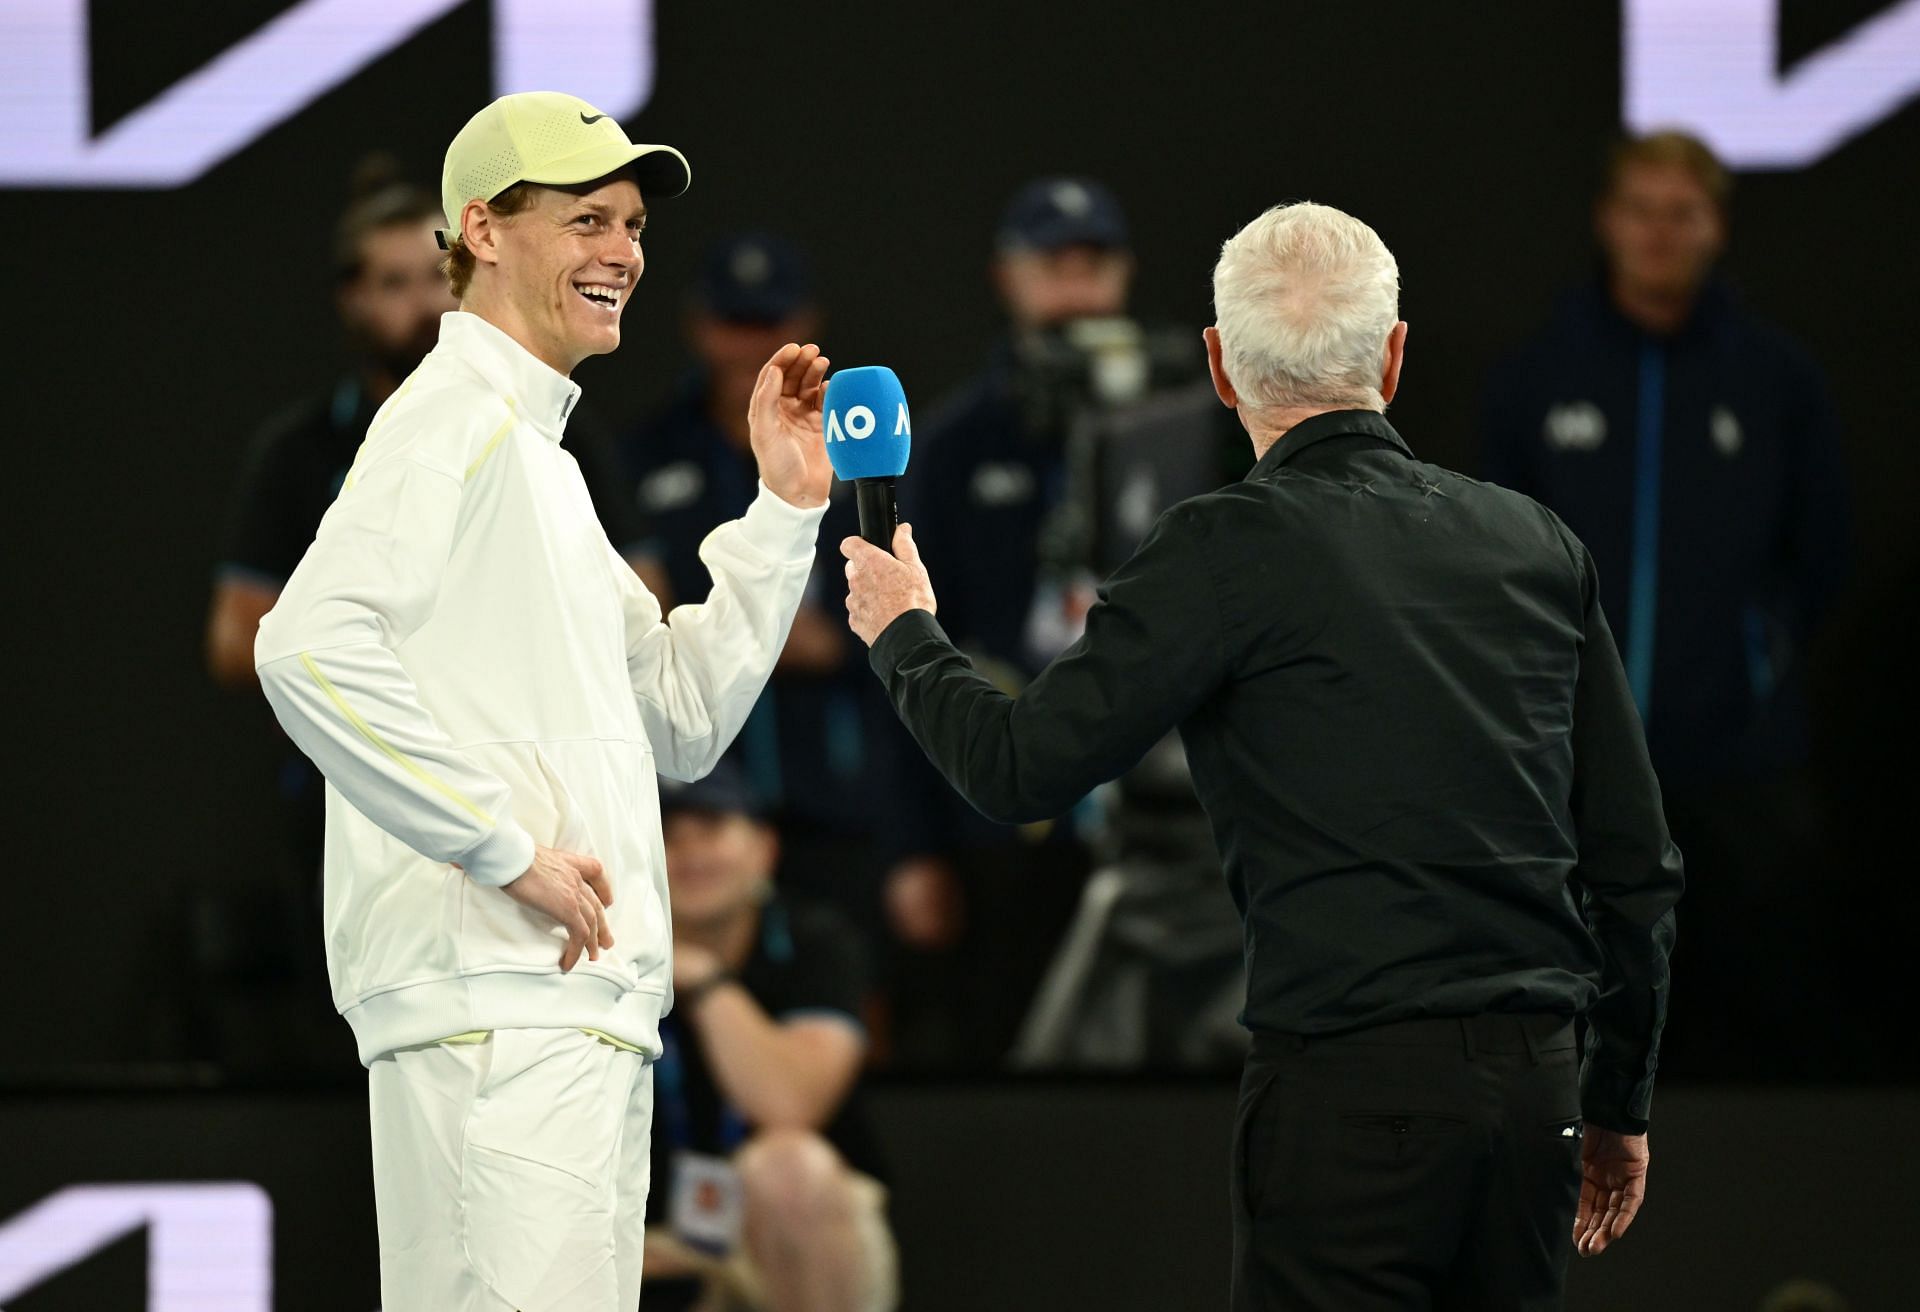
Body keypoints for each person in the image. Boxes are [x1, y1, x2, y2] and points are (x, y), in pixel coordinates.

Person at [843, 202, 1685, 1309]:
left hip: (1347, 1096)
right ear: (1391, 354)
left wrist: (906, 634)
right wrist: (1617, 1099)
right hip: (1538, 1093)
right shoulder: (1534, 543)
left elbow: (1017, 767)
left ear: (1219, 367)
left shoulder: (1224, 546)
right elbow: (1635, 861)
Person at [253, 91, 833, 1311]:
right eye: (584, 219)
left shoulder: (536, 460)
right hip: (500, 1004)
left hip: (560, 1006)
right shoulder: (454, 420)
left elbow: (678, 714)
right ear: (482, 229)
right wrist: (505, 847)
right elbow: (303, 647)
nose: (621, 250)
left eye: (628, 223)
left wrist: (782, 510)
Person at [1482, 130, 1848, 1076]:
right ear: (1608, 221)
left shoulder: (1777, 380)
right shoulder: (1537, 375)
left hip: (1741, 766)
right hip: (1571, 771)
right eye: (1641, 210)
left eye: (1681, 213)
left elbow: (1821, 555)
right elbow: (1487, 561)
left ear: (1716, 227)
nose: (1658, 233)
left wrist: (1754, 665)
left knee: (1759, 1022)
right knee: (1577, 1038)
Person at [877, 177, 1141, 1065]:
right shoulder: (951, 446)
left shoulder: (1179, 426)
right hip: (998, 807)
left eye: (1092, 265)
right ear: (1006, 277)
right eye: (1051, 267)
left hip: (1157, 810)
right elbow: (895, 642)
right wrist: (914, 846)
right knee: (1001, 1046)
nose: (1074, 291)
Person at [620, 235, 880, 935]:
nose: (749, 348)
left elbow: (915, 605)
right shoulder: (642, 457)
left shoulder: (865, 446)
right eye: (734, 324)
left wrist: (844, 638)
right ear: (699, 326)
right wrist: (749, 628)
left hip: (838, 787)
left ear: (806, 325)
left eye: (768, 325)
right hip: (694, 805)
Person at [642, 763, 897, 1312]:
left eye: (710, 828)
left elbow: (789, 1102)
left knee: (790, 1168)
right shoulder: (604, 945)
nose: (688, 853)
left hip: (774, 1233)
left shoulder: (815, 942)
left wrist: (706, 982)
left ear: (764, 848)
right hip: (638, 1231)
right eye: (665, 833)